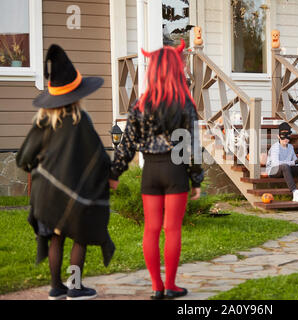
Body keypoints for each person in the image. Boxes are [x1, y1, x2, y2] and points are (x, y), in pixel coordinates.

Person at [16, 44, 115, 300]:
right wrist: (109, 176)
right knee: (79, 237)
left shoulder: (42, 123)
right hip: (74, 195)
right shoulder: (82, 121)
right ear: (78, 94)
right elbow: (99, 158)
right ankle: (75, 287)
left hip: (45, 196)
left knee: (55, 239)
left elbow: (23, 159)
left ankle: (55, 288)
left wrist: (39, 169)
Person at [109, 39, 204, 300]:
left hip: (150, 169)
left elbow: (127, 143)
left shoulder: (141, 103)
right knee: (172, 229)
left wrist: (114, 173)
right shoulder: (184, 103)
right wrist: (196, 179)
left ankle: (156, 287)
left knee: (151, 229)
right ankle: (171, 285)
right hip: (174, 169)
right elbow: (191, 147)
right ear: (176, 68)